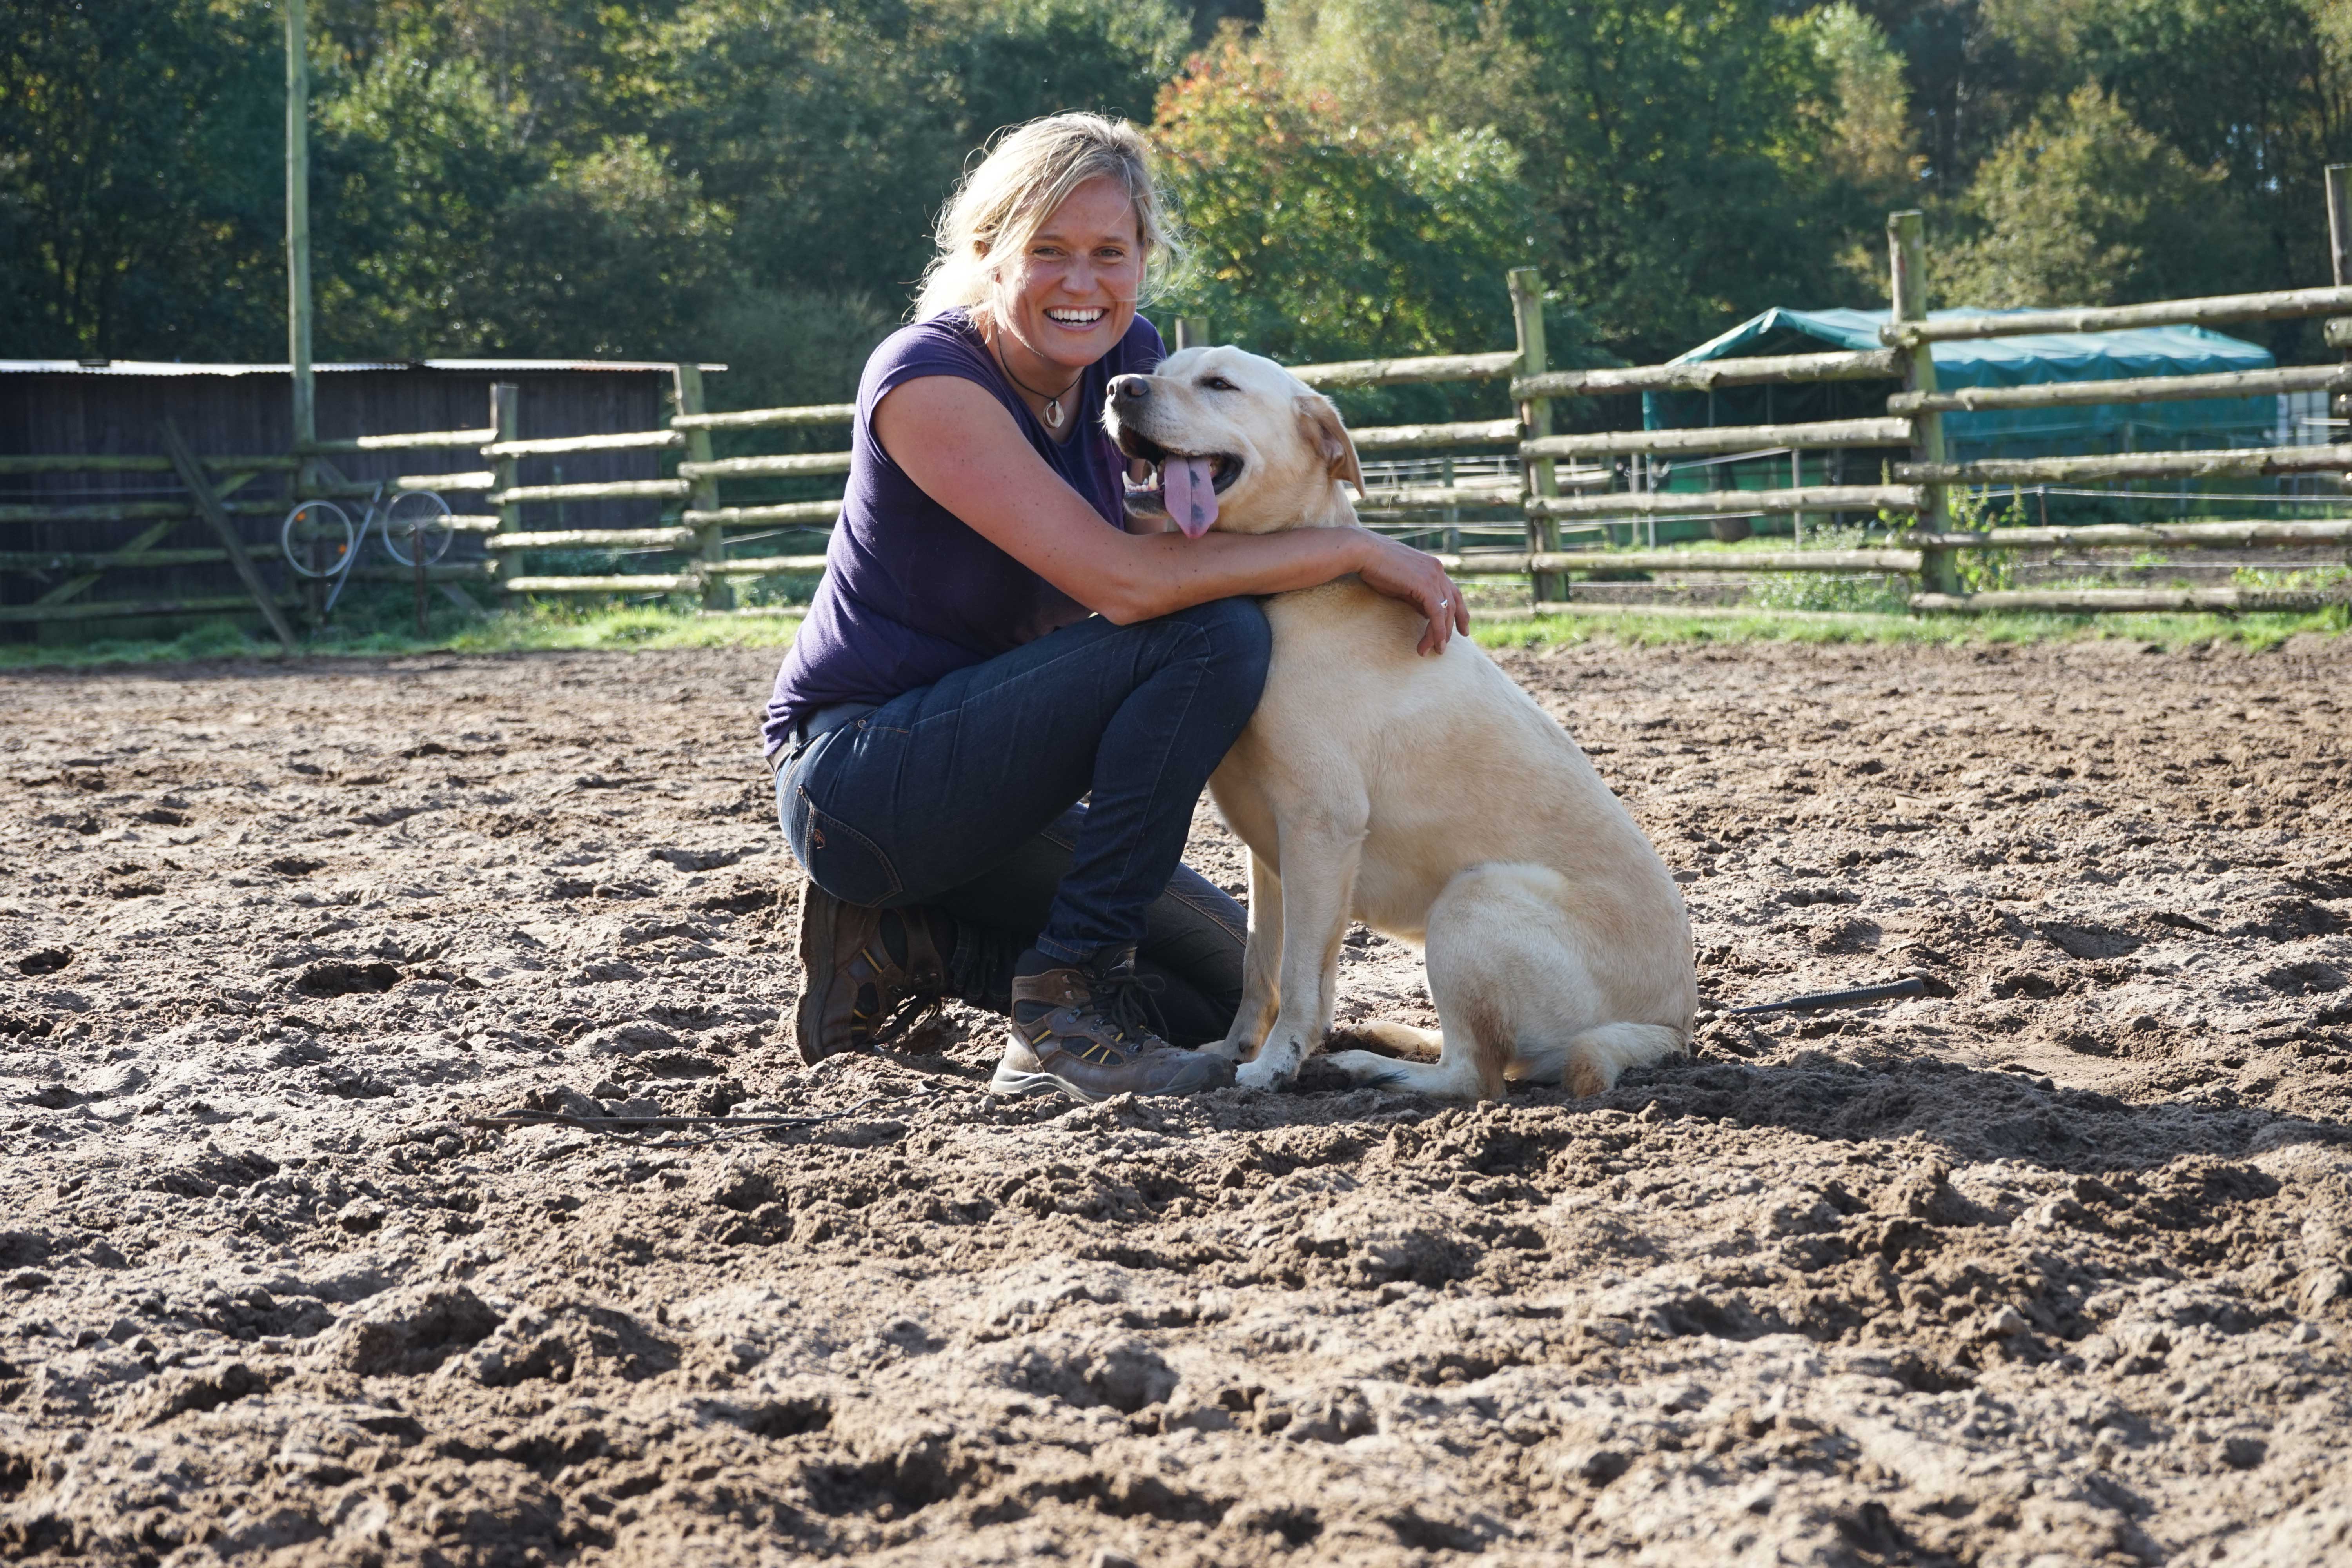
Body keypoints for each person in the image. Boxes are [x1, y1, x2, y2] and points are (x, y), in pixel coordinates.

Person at [762, 112, 1467, 1103]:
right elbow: (1125, 582)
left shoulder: (1128, 368)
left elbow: (1167, 530)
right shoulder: (927, 382)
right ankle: (1064, 1002)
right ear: (986, 253)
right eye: (1046, 250)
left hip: (1011, 783)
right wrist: (1353, 546)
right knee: (1213, 634)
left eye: (1109, 252)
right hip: (869, 781)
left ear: (1144, 260)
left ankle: (908, 941)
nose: (1081, 282)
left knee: (1223, 990)